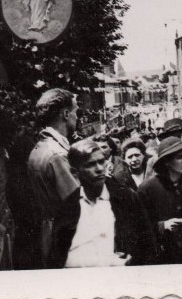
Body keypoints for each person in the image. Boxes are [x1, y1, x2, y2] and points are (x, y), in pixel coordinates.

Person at [48, 139, 157, 268]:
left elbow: (148, 245)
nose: (100, 169)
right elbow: (57, 256)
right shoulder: (68, 207)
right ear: (75, 172)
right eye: (91, 164)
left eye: (101, 161)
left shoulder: (126, 198)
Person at [27, 88, 82, 267]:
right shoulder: (58, 155)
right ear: (66, 114)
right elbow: (76, 203)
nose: (77, 117)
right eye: (76, 112)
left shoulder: (41, 147)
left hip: (48, 234)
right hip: (64, 239)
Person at [137, 136, 182, 264]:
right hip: (164, 254)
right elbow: (141, 227)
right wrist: (164, 225)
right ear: (166, 161)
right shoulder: (147, 189)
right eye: (180, 157)